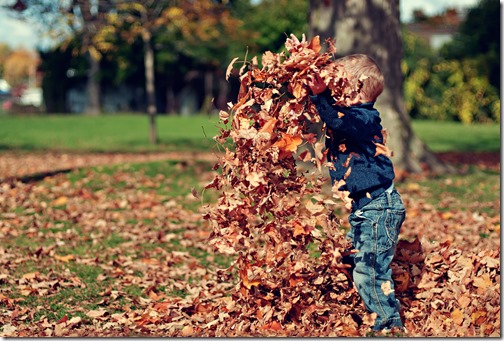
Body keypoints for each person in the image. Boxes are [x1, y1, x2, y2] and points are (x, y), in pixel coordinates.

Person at [308, 54, 406, 333]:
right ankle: (363, 302)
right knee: (352, 257)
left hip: (379, 208)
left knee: (371, 271)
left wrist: (321, 97)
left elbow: (338, 122)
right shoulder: (352, 116)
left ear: (353, 89)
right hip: (366, 209)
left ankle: (388, 323)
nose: (332, 92)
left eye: (337, 87)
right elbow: (332, 117)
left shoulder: (364, 118)